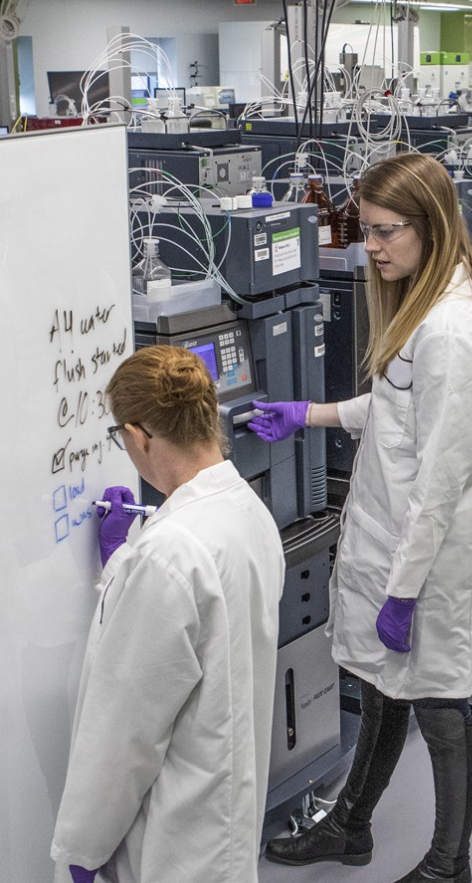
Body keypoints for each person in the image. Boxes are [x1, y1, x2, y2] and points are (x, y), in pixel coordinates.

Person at [249, 152, 472, 883]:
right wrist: (310, 414)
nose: (372, 246)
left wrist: (404, 588)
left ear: (430, 227)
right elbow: (399, 409)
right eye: (366, 230)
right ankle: (352, 826)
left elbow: (441, 477)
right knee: (384, 684)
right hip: (396, 541)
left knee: (441, 706)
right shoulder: (424, 308)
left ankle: (447, 864)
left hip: (429, 555)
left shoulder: (454, 331)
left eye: (384, 231)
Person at [51, 346, 285, 883]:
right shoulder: (247, 513)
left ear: (139, 437)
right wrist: (123, 565)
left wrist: (85, 846)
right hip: (223, 814)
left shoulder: (170, 555)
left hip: (174, 838)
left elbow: (126, 732)